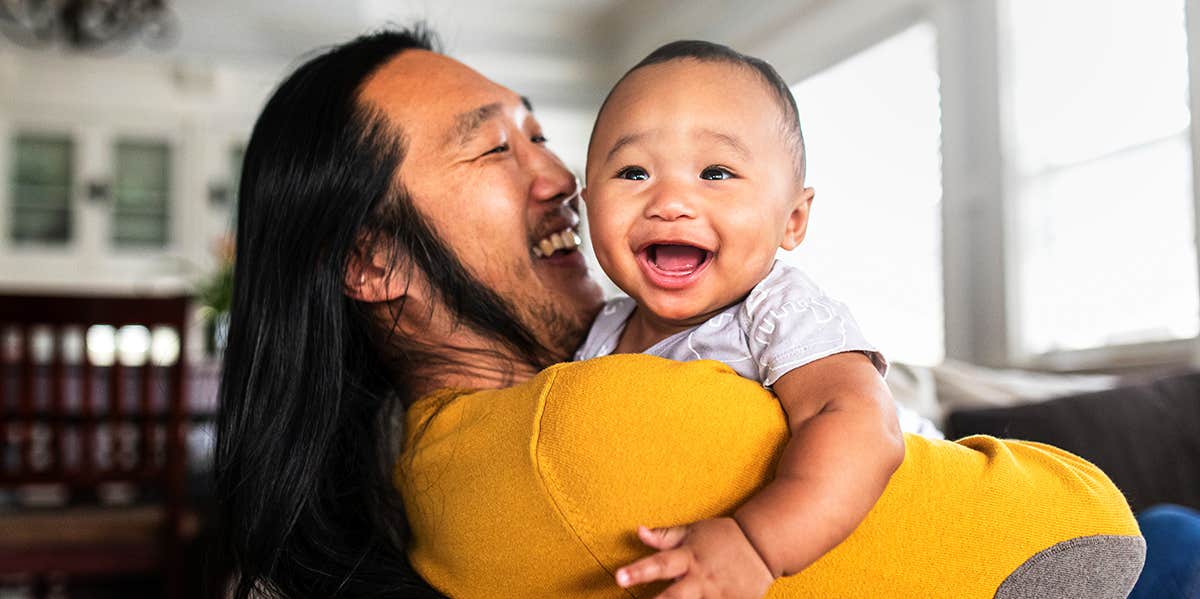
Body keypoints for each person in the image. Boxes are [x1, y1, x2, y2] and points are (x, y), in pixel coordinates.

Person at [215, 25, 1144, 599]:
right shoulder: (584, 431)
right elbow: (1088, 534)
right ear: (372, 260)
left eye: (540, 134)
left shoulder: (439, 467)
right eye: (494, 150)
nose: (560, 181)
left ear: (794, 216)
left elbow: (856, 416)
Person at [575, 40, 919, 594]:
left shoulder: (777, 310)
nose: (670, 201)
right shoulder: (601, 334)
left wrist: (757, 544)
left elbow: (861, 423)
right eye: (634, 172)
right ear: (589, 202)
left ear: (793, 218)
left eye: (716, 172)